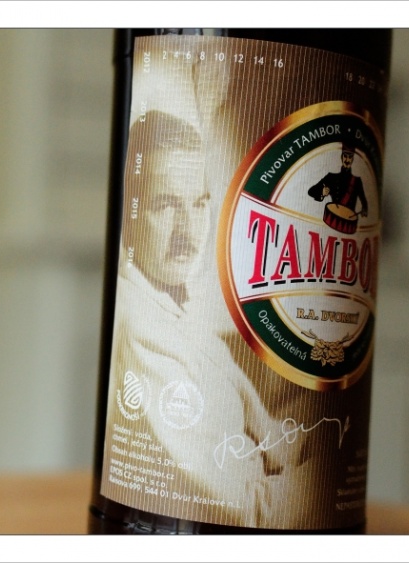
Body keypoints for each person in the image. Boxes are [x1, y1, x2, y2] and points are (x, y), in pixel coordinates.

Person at [104, 110, 307, 528]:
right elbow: (247, 511)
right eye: (165, 205)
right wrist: (316, 480)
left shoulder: (176, 307)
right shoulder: (144, 328)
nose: (188, 230)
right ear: (131, 212)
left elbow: (273, 441)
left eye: (198, 204)